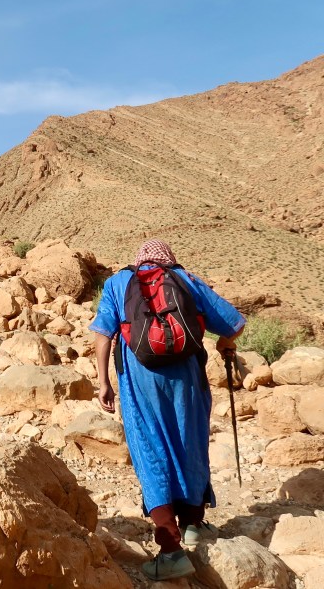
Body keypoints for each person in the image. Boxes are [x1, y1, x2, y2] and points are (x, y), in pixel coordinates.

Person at [90, 239, 245, 581]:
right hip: (187, 379)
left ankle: (171, 551)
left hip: (139, 380)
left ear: (139, 260)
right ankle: (192, 525)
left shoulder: (118, 283)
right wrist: (224, 344)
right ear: (168, 260)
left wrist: (103, 382)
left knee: (150, 450)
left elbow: (103, 334)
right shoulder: (186, 279)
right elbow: (234, 323)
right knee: (190, 442)